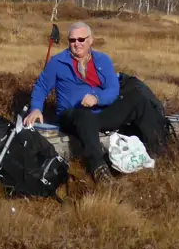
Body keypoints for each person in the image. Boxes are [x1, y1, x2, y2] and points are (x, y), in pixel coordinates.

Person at [24, 21, 163, 183]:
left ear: (91, 40)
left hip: (101, 112)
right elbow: (41, 86)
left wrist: (97, 98)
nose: (77, 44)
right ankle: (98, 168)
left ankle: (157, 150)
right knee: (85, 115)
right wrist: (36, 109)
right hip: (72, 116)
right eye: (72, 40)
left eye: (81, 39)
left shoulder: (103, 60)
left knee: (139, 99)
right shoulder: (58, 62)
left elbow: (113, 89)